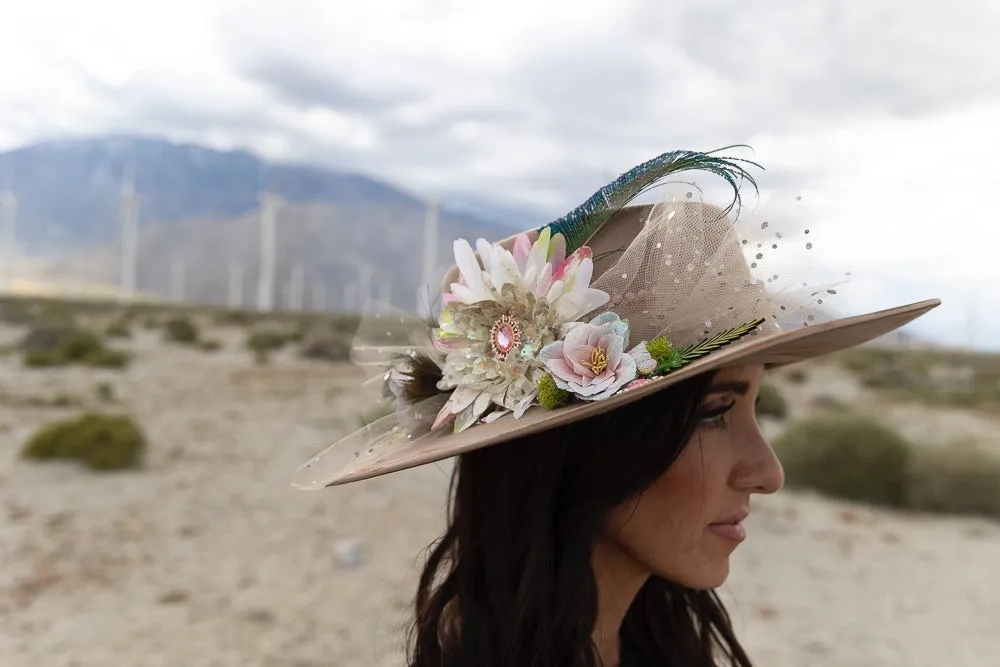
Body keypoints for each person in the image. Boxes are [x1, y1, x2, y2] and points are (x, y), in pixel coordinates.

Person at [293, 149, 940, 667]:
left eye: (755, 405)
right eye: (714, 411)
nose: (768, 472)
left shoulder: (649, 642)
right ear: (587, 442)